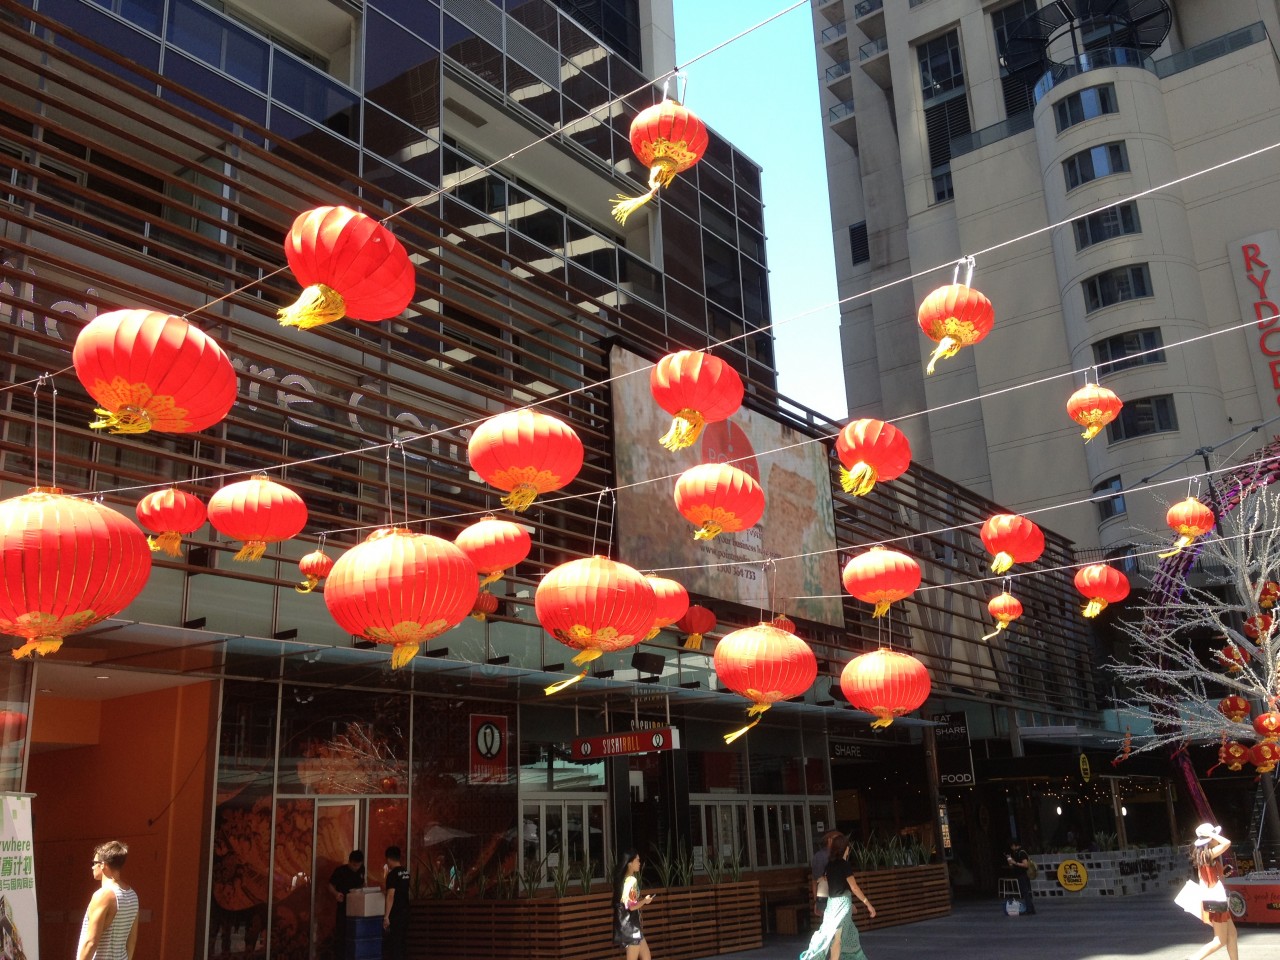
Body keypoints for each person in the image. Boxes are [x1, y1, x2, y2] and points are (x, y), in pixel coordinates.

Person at [799, 834, 875, 960]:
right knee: (838, 938)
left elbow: (827, 883)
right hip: (842, 905)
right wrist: (868, 904)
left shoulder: (830, 865)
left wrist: (818, 902)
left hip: (832, 905)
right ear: (845, 849)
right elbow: (854, 887)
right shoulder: (844, 865)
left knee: (841, 936)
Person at [76, 840, 139, 960]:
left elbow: (90, 943)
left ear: (103, 865)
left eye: (94, 863)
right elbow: (132, 941)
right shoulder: (132, 895)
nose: (93, 867)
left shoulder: (103, 895)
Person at [1188, 823, 1239, 960]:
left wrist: (1222, 872)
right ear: (1209, 839)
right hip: (1216, 900)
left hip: (1216, 899)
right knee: (1220, 940)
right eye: (1215, 836)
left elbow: (1208, 878)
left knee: (1232, 934)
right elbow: (1227, 843)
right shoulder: (1207, 854)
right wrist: (1211, 834)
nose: (1218, 838)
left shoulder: (1205, 856)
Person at [612, 850, 655, 959]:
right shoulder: (631, 880)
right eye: (637, 860)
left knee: (646, 957)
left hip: (631, 926)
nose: (639, 863)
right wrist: (644, 901)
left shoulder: (624, 880)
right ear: (629, 863)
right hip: (631, 927)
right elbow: (631, 906)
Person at [328, 849, 365, 938]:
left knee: (356, 933)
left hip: (357, 906)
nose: (356, 868)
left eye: (358, 865)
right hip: (343, 905)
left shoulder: (362, 869)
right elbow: (330, 885)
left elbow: (362, 883)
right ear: (349, 862)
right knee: (342, 933)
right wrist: (336, 893)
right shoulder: (340, 871)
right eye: (354, 865)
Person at [382, 845, 410, 960]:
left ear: (388, 859)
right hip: (406, 911)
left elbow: (390, 895)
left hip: (396, 913)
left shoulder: (392, 874)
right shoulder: (406, 872)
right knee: (403, 941)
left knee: (395, 943)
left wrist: (386, 916)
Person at [810, 830, 841, 918]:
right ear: (829, 840)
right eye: (838, 840)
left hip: (832, 897)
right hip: (828, 896)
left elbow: (815, 881)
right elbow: (817, 880)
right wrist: (817, 901)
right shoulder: (821, 856)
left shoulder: (835, 855)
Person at [1005, 840, 1036, 915]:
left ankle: (1030, 909)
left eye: (1012, 846)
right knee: (1025, 892)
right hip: (1019, 875)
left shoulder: (1021, 852)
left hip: (1023, 875)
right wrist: (1010, 860)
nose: (1011, 848)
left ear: (1014, 845)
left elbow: (1025, 865)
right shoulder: (1016, 853)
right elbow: (1012, 865)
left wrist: (1015, 863)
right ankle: (1030, 908)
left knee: (1026, 892)